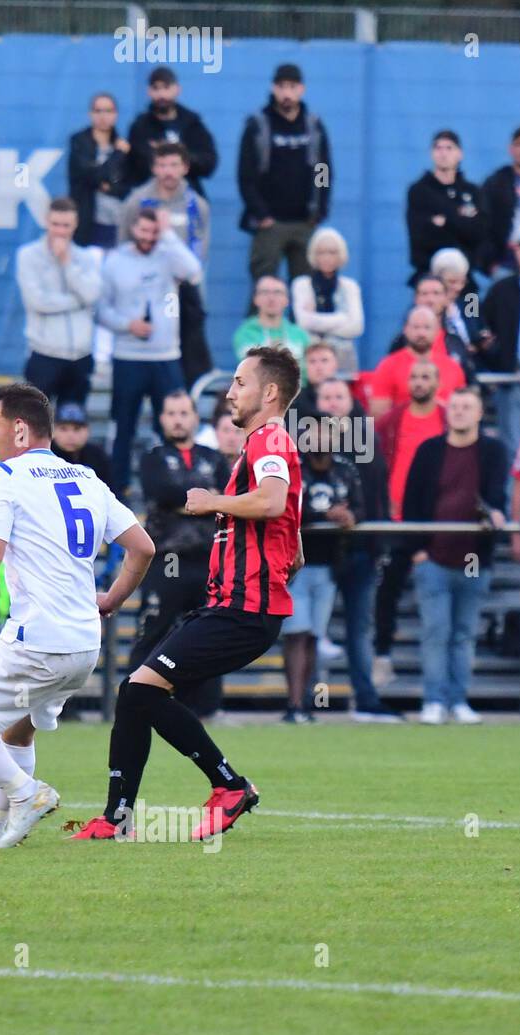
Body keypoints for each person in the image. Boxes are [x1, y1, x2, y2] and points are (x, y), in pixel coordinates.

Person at [71, 346, 304, 843]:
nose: (230, 391)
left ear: (269, 393)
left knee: (140, 690)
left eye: (240, 382)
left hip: (245, 609)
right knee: (135, 693)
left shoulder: (269, 440)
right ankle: (116, 818)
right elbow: (293, 538)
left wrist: (211, 502)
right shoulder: (264, 445)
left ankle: (229, 786)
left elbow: (272, 501)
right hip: (236, 605)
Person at [0, 383, 154, 848]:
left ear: (20, 430)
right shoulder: (86, 477)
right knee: (17, 729)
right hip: (85, 645)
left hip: (38, 642)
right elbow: (143, 548)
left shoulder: (4, 476)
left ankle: (27, 792)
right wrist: (110, 601)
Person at [404, 386, 509, 725]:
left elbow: (495, 497)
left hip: (473, 559)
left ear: (480, 413)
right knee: (436, 631)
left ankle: (458, 699)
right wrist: (418, 551)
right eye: (456, 406)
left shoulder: (493, 451)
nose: (460, 412)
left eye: (468, 407)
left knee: (464, 633)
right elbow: (412, 502)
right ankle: (434, 700)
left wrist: (494, 515)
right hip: (433, 557)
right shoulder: (429, 451)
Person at [130, 390, 230, 719]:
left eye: (183, 413)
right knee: (155, 627)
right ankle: (135, 700)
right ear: (162, 419)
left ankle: (204, 708)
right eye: (171, 413)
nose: (177, 419)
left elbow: (226, 496)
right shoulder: (153, 457)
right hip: (167, 559)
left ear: (195, 418)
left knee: (209, 634)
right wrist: (206, 499)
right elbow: (160, 490)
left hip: (207, 560)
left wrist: (200, 500)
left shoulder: (213, 458)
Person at [312, 377, 402, 722]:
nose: (333, 402)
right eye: (327, 396)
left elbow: (377, 496)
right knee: (310, 630)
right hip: (318, 553)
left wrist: (378, 540)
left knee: (358, 627)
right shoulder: (306, 446)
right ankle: (304, 702)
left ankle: (364, 699)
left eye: (339, 396)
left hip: (360, 549)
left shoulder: (367, 443)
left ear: (351, 403)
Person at [97, 208, 202, 494]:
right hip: (128, 356)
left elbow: (193, 272)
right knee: (123, 426)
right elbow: (101, 308)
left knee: (171, 423)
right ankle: (118, 487)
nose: (148, 237)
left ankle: (177, 483)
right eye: (143, 231)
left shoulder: (168, 254)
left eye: (154, 232)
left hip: (166, 355)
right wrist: (126, 325)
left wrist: (168, 234)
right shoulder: (116, 260)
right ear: (133, 229)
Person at [371, 359, 446, 688]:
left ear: (437, 382)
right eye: (414, 376)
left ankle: (440, 675)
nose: (418, 382)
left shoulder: (447, 418)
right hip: (395, 521)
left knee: (439, 593)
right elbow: (373, 461)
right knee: (386, 590)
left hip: (436, 523)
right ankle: (382, 656)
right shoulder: (392, 419)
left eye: (425, 377)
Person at [280, 428, 362, 723]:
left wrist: (351, 518)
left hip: (329, 565)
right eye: (313, 436)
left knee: (314, 635)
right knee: (296, 633)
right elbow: (284, 510)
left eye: (325, 436)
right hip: (295, 565)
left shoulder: (346, 471)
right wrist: (324, 517)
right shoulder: (292, 470)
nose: (319, 442)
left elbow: (361, 508)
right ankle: (293, 704)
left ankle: (307, 703)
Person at [118, 142, 213, 386]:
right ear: (153, 168)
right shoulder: (137, 201)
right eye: (162, 165)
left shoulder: (196, 205)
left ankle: (188, 402)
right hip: (146, 289)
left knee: (191, 352)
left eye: (174, 165)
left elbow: (200, 249)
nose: (168, 171)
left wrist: (184, 274)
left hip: (183, 289)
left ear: (185, 168)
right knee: (149, 349)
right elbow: (124, 245)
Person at [237, 64, 332, 285]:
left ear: (302, 89)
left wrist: (319, 210)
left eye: (292, 86)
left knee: (307, 292)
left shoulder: (313, 127)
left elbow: (323, 170)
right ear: (273, 88)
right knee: (264, 291)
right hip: (270, 224)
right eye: (281, 87)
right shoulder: (258, 126)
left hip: (305, 222)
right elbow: (245, 177)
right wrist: (261, 215)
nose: (286, 93)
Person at [15, 196, 99, 411]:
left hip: (80, 356)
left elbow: (92, 295)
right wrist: (77, 301)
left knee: (72, 428)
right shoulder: (28, 256)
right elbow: (38, 302)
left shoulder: (86, 258)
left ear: (76, 225)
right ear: (45, 222)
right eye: (55, 224)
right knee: (35, 423)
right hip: (45, 355)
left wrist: (67, 263)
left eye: (66, 226)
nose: (60, 231)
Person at [406, 130, 487, 284]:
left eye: (449, 148)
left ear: (460, 154)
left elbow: (478, 233)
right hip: (428, 277)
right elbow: (420, 235)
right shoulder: (419, 191)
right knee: (426, 309)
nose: (443, 153)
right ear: (432, 153)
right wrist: (460, 220)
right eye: (438, 148)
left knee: (473, 307)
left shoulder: (472, 192)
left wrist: (445, 221)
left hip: (466, 279)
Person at [124, 67, 218, 197]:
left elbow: (209, 164)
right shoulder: (140, 127)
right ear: (149, 91)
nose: (161, 94)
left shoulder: (193, 124)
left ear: (177, 89)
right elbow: (133, 167)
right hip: (150, 201)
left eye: (166, 87)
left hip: (187, 198)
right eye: (156, 88)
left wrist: (181, 155)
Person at [366, 306, 465, 418]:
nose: (421, 333)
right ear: (405, 329)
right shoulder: (388, 366)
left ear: (437, 331)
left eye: (427, 327)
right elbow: (379, 416)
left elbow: (462, 410)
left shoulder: (453, 367)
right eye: (416, 327)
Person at [479, 229, 520, 478]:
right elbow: (476, 313)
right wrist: (488, 346)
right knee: (510, 449)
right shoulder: (500, 289)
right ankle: (513, 512)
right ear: (516, 251)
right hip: (511, 377)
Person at [290, 227, 364, 372]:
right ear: (313, 255)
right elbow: (303, 322)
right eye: (321, 252)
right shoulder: (302, 284)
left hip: (343, 357)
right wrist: (343, 318)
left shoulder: (350, 286)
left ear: (341, 255)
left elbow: (356, 327)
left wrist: (315, 321)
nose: (327, 257)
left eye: (332, 252)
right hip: (309, 357)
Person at [67, 92, 131, 249]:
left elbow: (129, 186)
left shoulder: (123, 144)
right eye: (98, 111)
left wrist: (109, 188)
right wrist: (117, 155)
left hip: (117, 224)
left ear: (116, 114)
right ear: (90, 114)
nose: (103, 116)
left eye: (108, 111)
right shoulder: (80, 142)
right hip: (87, 225)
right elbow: (92, 177)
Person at [234, 276, 311, 367]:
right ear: (255, 299)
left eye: (278, 292)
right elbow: (250, 368)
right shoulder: (245, 334)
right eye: (265, 292)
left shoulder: (300, 334)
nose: (271, 298)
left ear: (287, 300)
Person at [480, 127, 520, 279]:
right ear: (510, 149)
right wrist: (490, 263)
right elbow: (482, 223)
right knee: (503, 302)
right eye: (519, 144)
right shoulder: (496, 182)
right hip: (504, 264)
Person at [49, 402, 113, 489]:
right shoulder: (42, 457)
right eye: (63, 429)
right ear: (52, 431)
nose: (70, 435)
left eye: (77, 429)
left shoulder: (98, 456)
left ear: (88, 431)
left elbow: (112, 493)